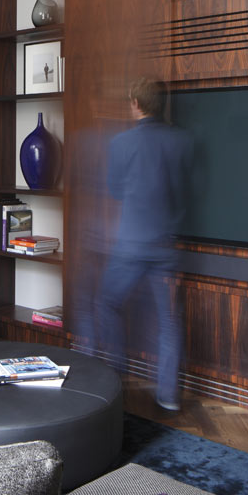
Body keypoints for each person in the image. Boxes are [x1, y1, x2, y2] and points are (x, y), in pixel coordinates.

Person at [97, 77, 193, 410]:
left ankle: (115, 379)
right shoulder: (182, 141)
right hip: (167, 246)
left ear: (135, 103)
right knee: (169, 321)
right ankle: (168, 397)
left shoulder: (120, 143)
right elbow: (188, 192)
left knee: (108, 304)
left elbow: (115, 190)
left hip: (130, 247)